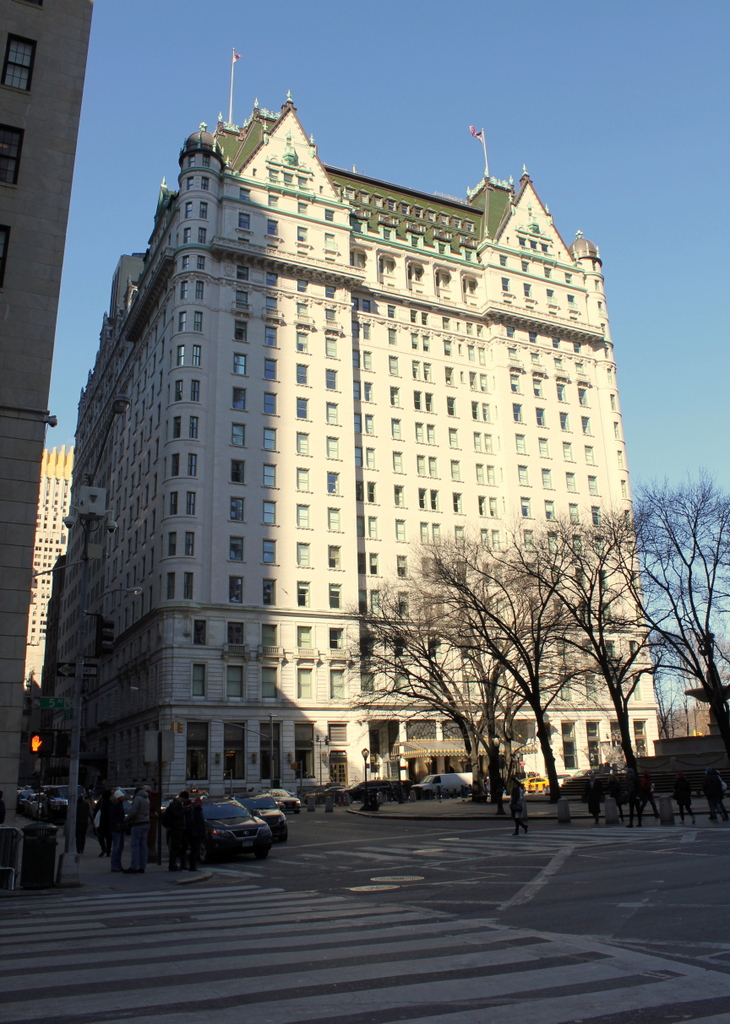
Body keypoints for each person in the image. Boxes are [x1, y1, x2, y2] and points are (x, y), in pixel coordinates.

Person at [124, 785, 150, 873]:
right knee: (143, 845)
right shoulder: (146, 798)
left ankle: (134, 866)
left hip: (138, 823)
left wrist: (127, 820)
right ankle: (142, 866)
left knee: (135, 845)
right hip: (146, 822)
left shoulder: (137, 798)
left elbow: (134, 812)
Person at [181, 793, 206, 870]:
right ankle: (192, 866)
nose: (199, 804)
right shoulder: (194, 811)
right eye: (198, 803)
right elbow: (196, 822)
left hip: (195, 832)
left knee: (194, 850)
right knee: (193, 849)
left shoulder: (196, 811)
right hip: (194, 832)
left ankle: (191, 865)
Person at [162, 793, 186, 871]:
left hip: (176, 827)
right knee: (175, 847)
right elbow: (177, 815)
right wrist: (184, 810)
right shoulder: (176, 805)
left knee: (175, 847)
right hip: (176, 828)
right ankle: (172, 865)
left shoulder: (175, 804)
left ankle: (173, 864)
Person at [109, 789, 126, 872]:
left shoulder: (118, 804)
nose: (122, 798)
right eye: (121, 797)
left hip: (120, 827)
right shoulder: (115, 805)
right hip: (116, 828)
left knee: (120, 847)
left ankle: (117, 864)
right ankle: (114, 865)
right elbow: (112, 817)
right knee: (117, 847)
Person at [96, 789, 112, 857]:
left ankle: (103, 848)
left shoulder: (102, 801)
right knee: (109, 838)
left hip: (103, 822)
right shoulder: (111, 802)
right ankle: (108, 851)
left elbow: (97, 809)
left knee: (101, 837)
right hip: (110, 822)